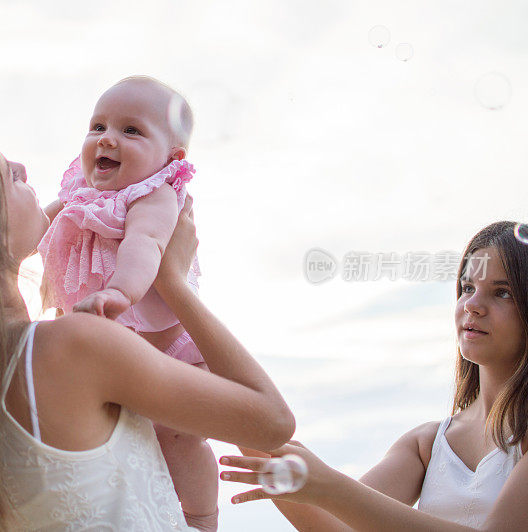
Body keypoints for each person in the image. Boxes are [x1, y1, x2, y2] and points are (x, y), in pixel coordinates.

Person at [0, 122, 295, 531]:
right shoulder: (71, 348)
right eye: (4, 175)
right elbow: (272, 421)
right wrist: (173, 284)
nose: (23, 169)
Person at [220, 221, 528, 531]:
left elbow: (338, 495)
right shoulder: (426, 444)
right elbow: (336, 525)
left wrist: (329, 486)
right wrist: (230, 404)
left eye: (502, 293)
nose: (472, 305)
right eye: (468, 288)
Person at [37, 76, 217, 527]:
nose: (107, 139)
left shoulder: (155, 194)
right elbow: (41, 222)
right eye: (97, 126)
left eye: (131, 131)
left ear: (171, 158)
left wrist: (118, 291)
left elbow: (145, 245)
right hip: (118, 360)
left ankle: (200, 519)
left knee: (179, 438)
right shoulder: (79, 190)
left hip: (171, 356)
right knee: (123, 446)